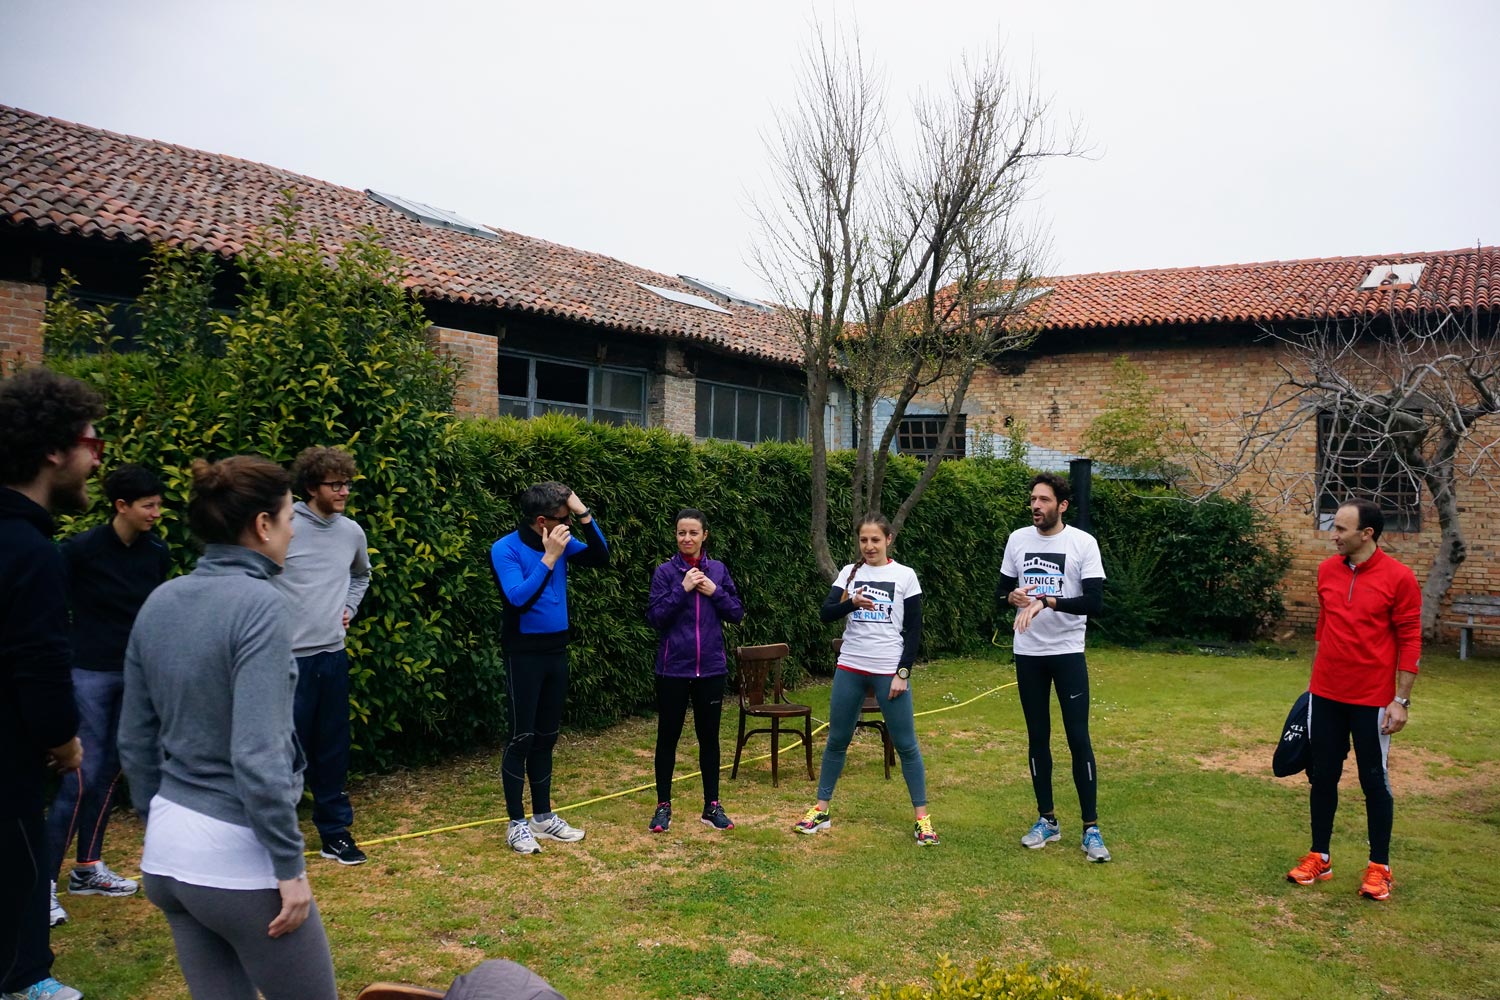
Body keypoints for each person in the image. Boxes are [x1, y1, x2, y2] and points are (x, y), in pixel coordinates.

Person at [118, 455, 338, 1000]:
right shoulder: (260, 604)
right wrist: (290, 867)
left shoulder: (161, 600)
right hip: (233, 856)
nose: (293, 531)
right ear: (262, 525)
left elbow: (134, 739)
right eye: (289, 517)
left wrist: (161, 823)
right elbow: (259, 755)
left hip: (168, 853)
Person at [1, 368, 102, 1000]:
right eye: (92, 442)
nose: (98, 458)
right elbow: (37, 662)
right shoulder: (31, 550)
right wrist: (63, 741)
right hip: (8, 760)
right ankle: (24, 981)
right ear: (53, 449)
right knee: (19, 864)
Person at [44, 464, 171, 929]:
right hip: (87, 674)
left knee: (111, 770)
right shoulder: (78, 551)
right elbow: (51, 609)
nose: (157, 513)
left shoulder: (156, 552)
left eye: (158, 504)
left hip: (134, 674)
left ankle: (87, 869)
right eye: (148, 506)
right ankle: (41, 886)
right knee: (81, 775)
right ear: (121, 506)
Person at [1286, 498, 1420, 901]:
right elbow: (1323, 629)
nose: (1334, 535)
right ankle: (1319, 856)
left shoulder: (1399, 578)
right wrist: (1313, 686)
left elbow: (1411, 639)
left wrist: (1401, 700)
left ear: (1367, 534)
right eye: (1334, 527)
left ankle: (1380, 867)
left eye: (1341, 529)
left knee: (1373, 780)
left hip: (1373, 701)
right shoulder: (1327, 570)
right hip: (1326, 695)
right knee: (1322, 776)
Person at [794, 514, 937, 846]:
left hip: (889, 670)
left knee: (906, 745)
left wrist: (903, 673)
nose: (869, 546)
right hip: (851, 667)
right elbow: (825, 613)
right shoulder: (849, 573)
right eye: (863, 540)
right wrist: (850, 603)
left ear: (889, 540)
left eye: (875, 540)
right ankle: (821, 810)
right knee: (837, 739)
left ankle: (922, 820)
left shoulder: (905, 575)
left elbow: (914, 630)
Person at [489, 481, 608, 855]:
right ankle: (516, 823)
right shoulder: (505, 548)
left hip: (556, 650)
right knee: (521, 738)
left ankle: (542, 816)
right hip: (523, 654)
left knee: (546, 736)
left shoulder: (559, 538)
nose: (568, 527)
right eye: (563, 520)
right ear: (542, 522)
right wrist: (549, 558)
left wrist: (584, 513)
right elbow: (517, 599)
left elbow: (601, 557)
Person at [997, 472, 1110, 863]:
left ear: (1061, 505)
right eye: (1033, 499)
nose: (1035, 506)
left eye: (1044, 500)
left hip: (1066, 652)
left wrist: (1048, 601)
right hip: (1028, 653)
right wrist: (1011, 596)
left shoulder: (1083, 543)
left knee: (1078, 738)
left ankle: (1091, 829)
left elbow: (1094, 603)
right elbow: (1001, 590)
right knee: (1037, 737)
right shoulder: (1017, 540)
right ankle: (1047, 820)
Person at [271, 447, 372, 866]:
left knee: (332, 750)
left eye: (347, 483)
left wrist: (347, 609)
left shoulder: (352, 532)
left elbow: (361, 575)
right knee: (281, 754)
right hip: (285, 662)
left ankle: (334, 834)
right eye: (336, 485)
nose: (344, 490)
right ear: (312, 487)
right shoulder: (282, 525)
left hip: (332, 655)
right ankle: (274, 840)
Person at [644, 508, 745, 833]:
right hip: (672, 670)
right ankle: (663, 806)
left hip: (711, 669)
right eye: (680, 533)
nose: (686, 538)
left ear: (704, 536)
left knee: (709, 739)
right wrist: (683, 588)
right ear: (676, 536)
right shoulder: (665, 572)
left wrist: (714, 591)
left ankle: (711, 806)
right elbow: (656, 617)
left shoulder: (717, 569)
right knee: (667, 737)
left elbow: (737, 612)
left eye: (692, 533)